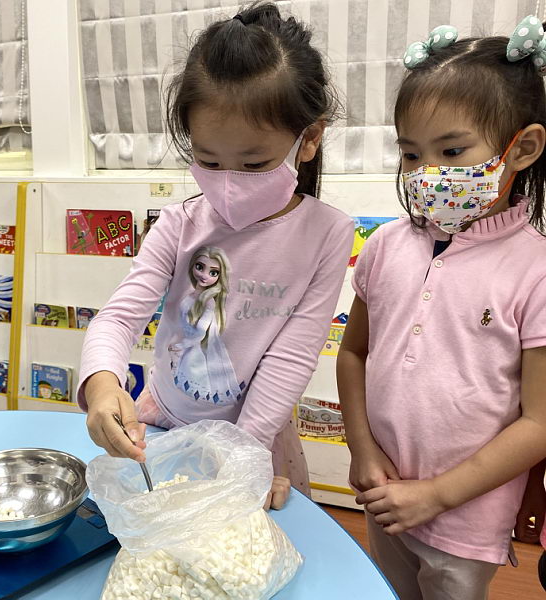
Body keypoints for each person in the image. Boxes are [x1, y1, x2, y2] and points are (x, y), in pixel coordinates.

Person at [78, 2, 353, 510]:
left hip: (254, 436)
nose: (228, 183)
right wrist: (100, 384)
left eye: (255, 164)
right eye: (207, 160)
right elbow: (118, 318)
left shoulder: (327, 234)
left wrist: (241, 458)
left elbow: (290, 358)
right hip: (162, 419)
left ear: (309, 138)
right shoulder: (179, 223)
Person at [337, 17, 546, 599]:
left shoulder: (537, 270)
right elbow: (353, 354)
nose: (428, 173)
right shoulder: (384, 246)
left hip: (465, 519)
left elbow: (539, 422)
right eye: (410, 153)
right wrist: (361, 448)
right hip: (384, 495)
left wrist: (436, 496)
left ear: (523, 147)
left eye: (452, 151)